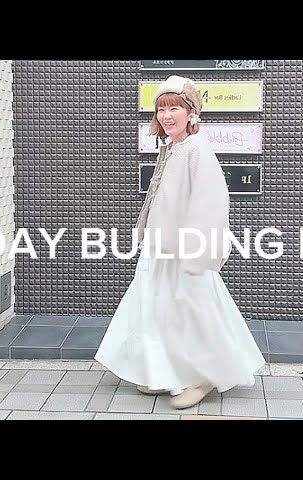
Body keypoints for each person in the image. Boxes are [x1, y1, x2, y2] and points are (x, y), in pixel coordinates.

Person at [95, 75, 265, 409]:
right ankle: (165, 373)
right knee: (157, 310)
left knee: (195, 312)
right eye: (161, 109)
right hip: (162, 249)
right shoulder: (172, 148)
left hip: (186, 253)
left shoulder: (196, 150)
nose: (166, 115)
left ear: (191, 112)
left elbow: (210, 205)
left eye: (174, 108)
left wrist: (196, 253)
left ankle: (205, 376)